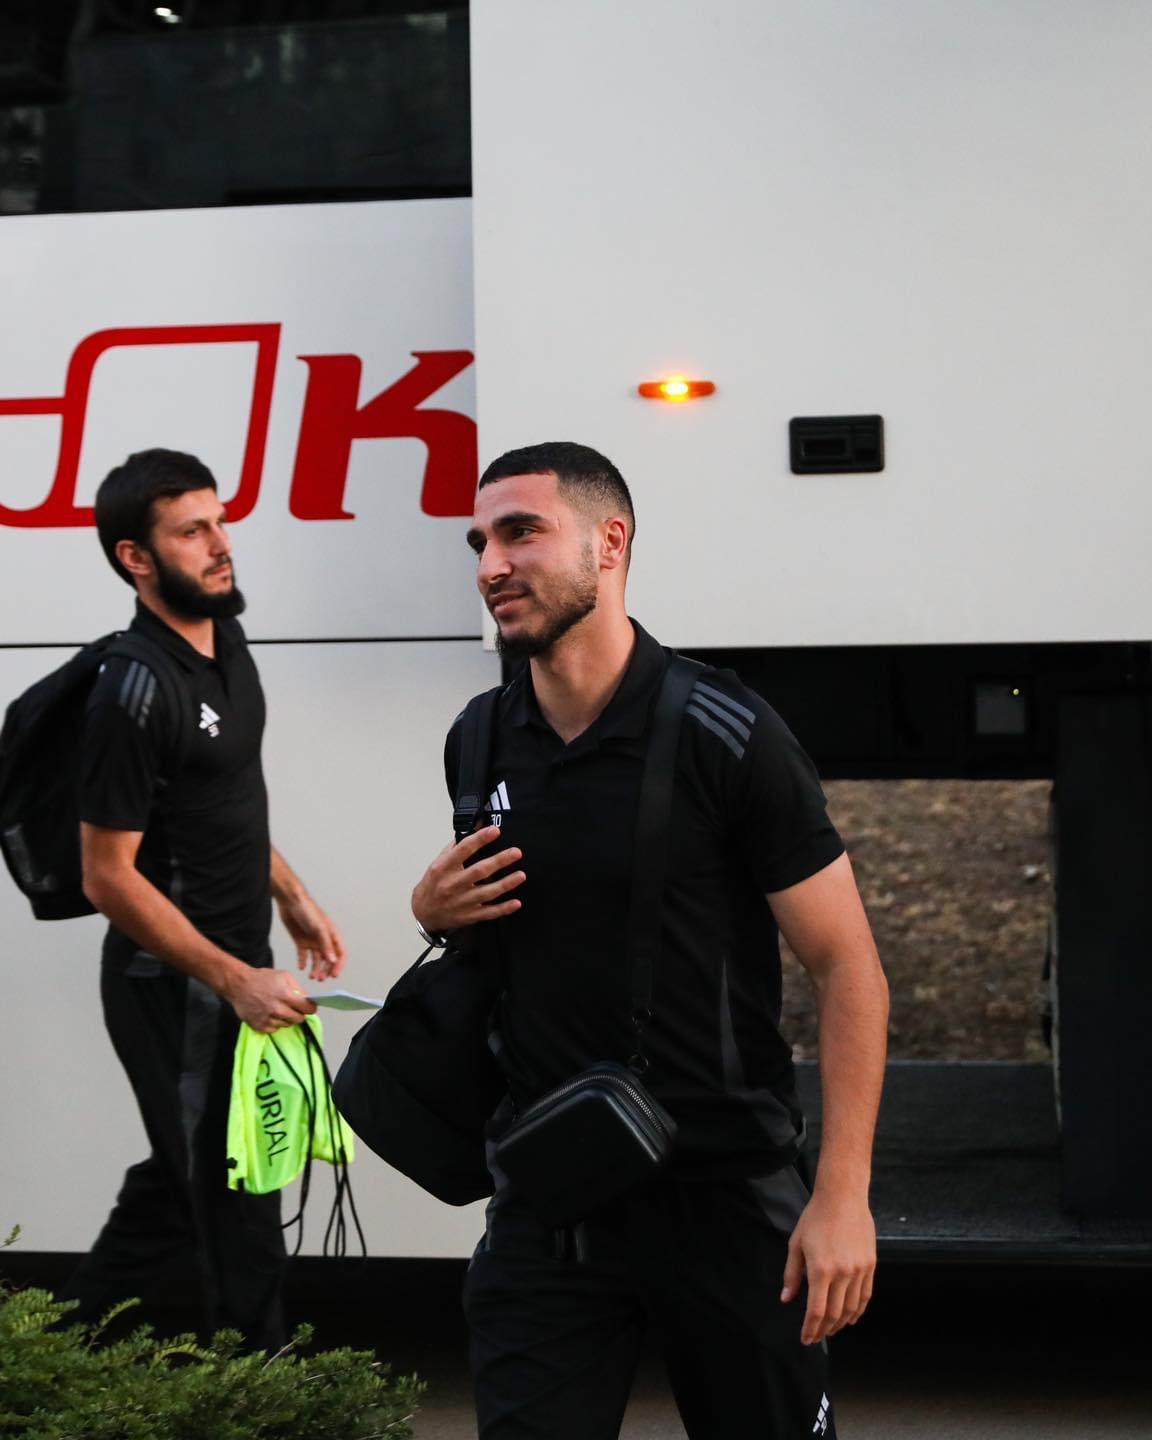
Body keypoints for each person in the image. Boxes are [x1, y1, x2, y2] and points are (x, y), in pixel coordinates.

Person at [411, 441, 889, 1439]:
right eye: (479, 542)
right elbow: (502, 945)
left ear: (609, 542)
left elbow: (847, 967)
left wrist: (842, 1198)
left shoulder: (727, 731)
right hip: (551, 1197)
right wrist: (432, 913)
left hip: (725, 1194)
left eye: (521, 532)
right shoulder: (477, 737)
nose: (491, 564)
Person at [61, 448, 346, 1351]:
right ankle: (265, 1388)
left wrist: (290, 893)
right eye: (193, 531)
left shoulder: (226, 640)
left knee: (179, 1181)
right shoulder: (132, 691)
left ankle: (49, 1358)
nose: (222, 545)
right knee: (234, 1196)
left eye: (220, 523)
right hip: (171, 987)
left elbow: (220, 798)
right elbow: (107, 876)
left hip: (233, 966)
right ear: (135, 558)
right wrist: (234, 979)